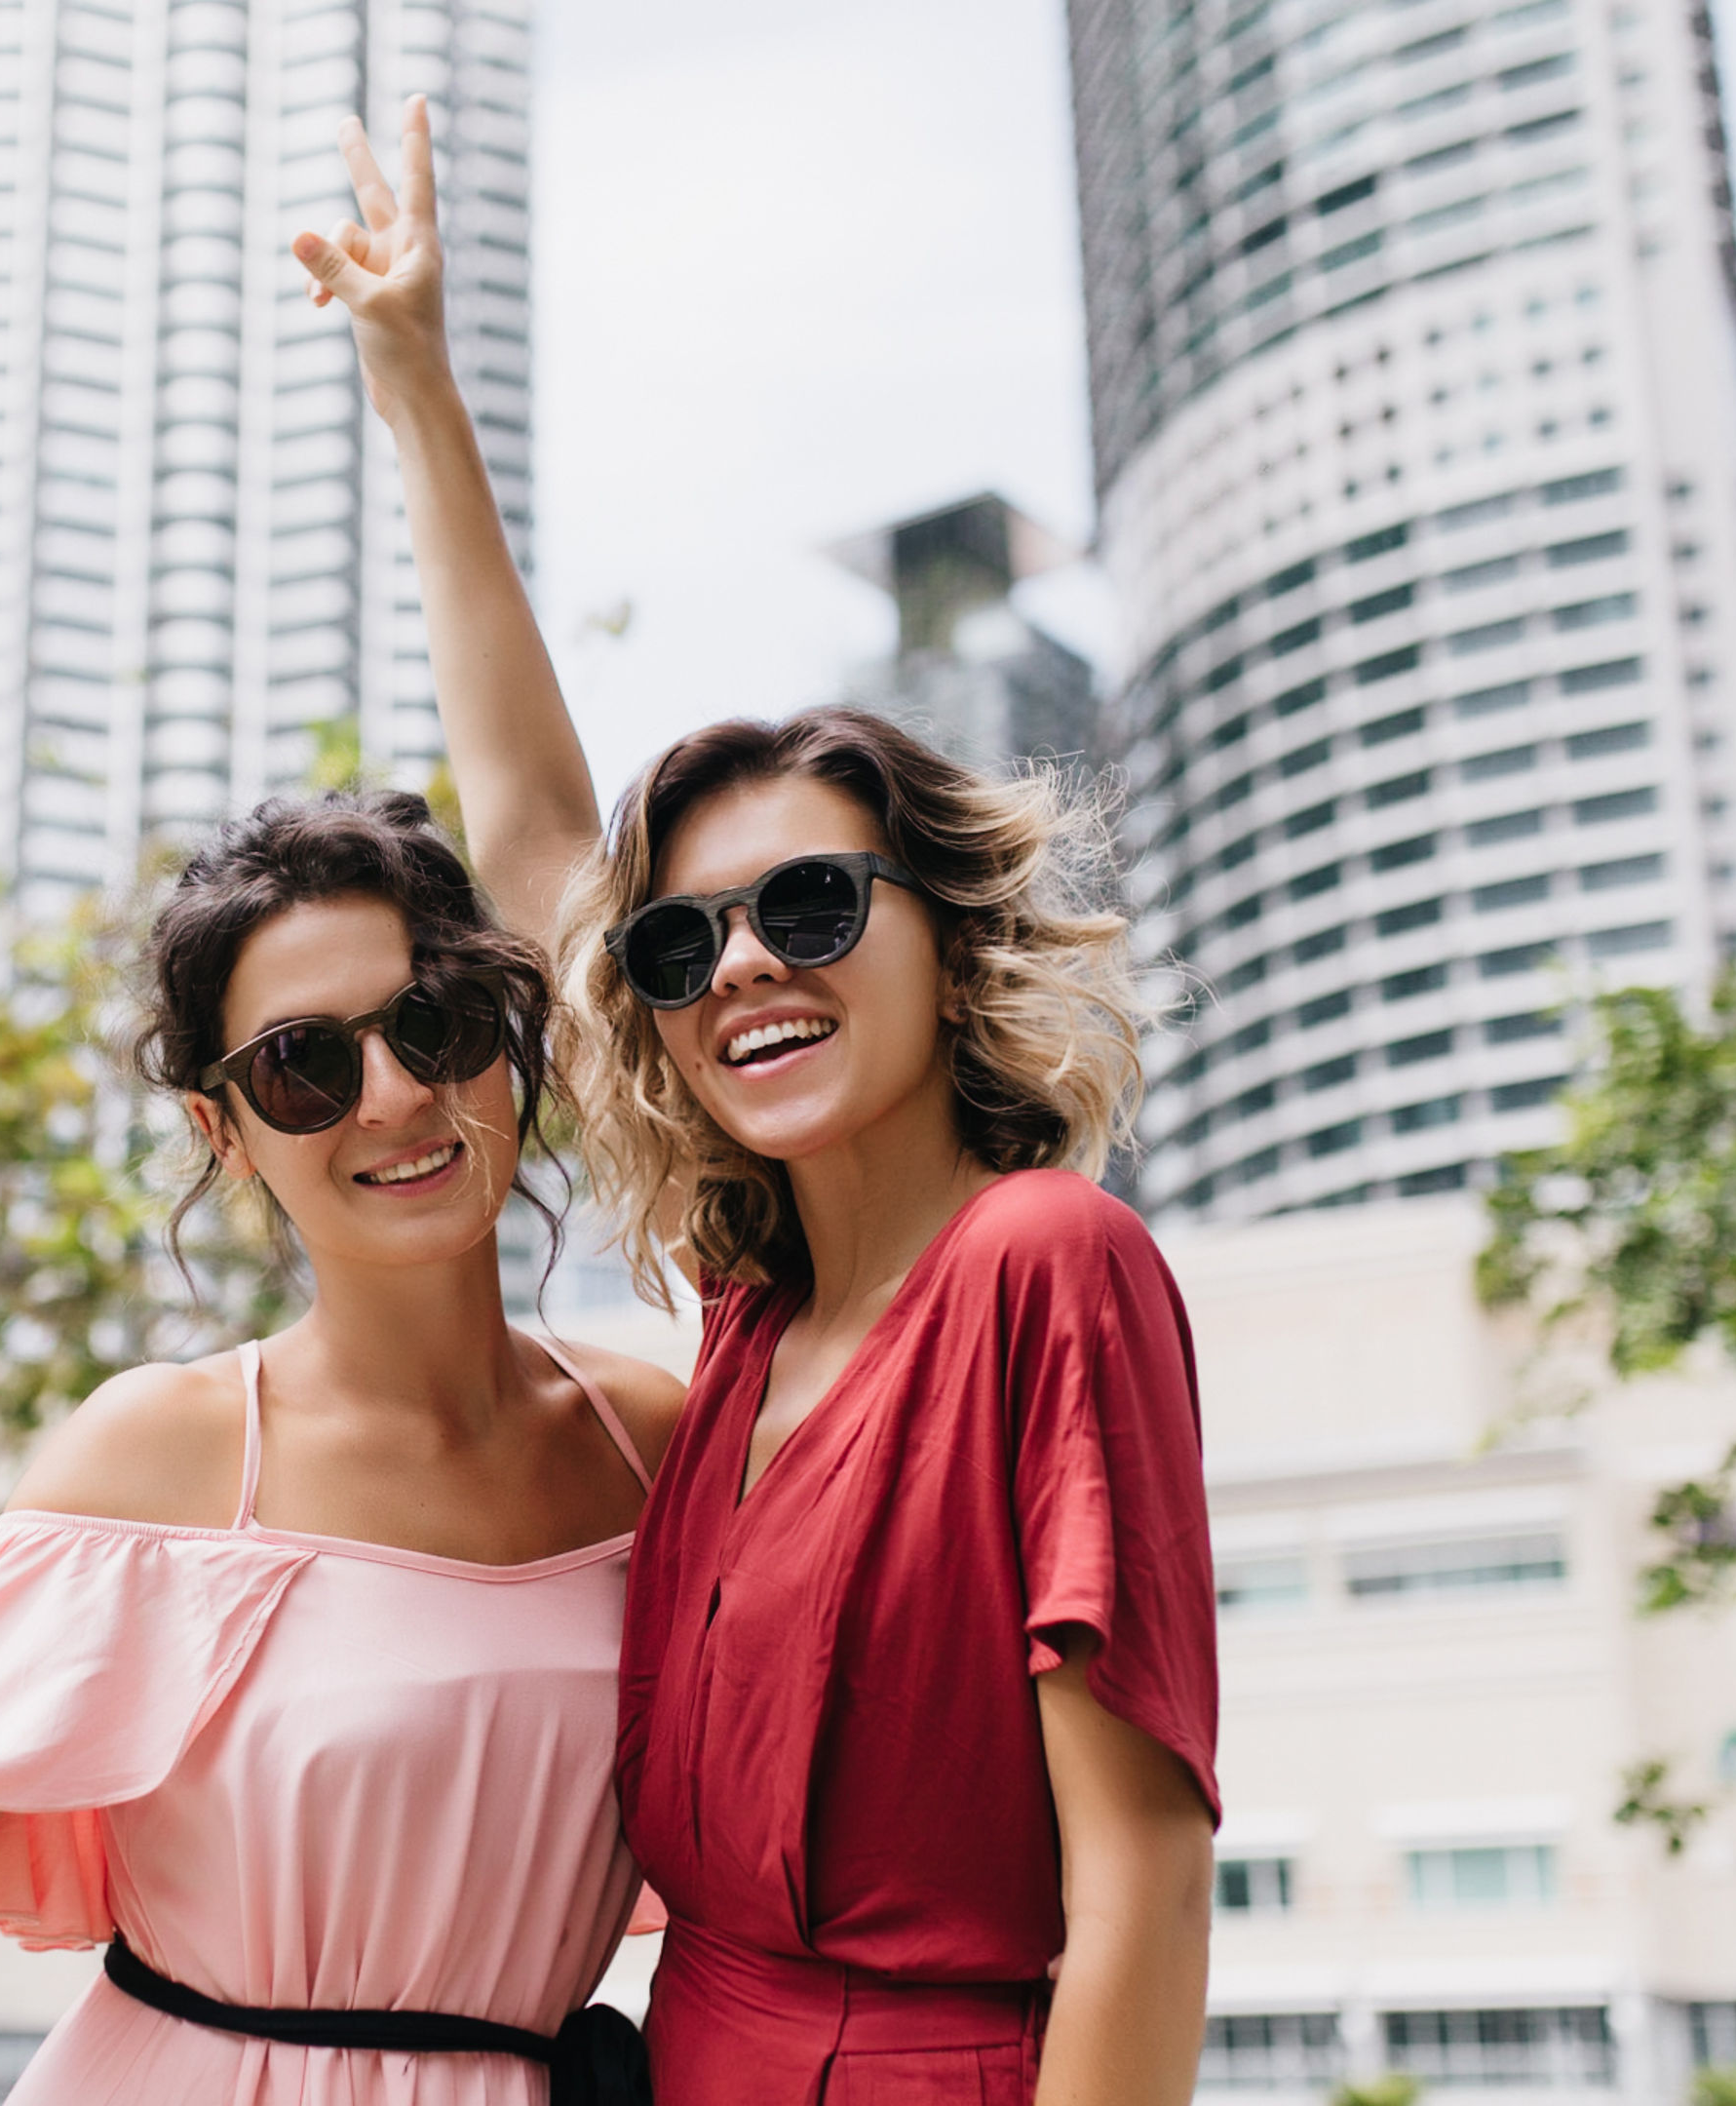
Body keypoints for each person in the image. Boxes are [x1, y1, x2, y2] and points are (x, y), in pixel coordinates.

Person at [293, 100, 1220, 2106]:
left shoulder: (1046, 1269)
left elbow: (1141, 1883)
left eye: (809, 904)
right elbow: (542, 841)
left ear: (948, 940)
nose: (741, 968)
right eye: (683, 942)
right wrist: (416, 389)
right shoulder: (743, 1320)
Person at [0, 791, 684, 2105]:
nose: (400, 1094)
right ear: (222, 1131)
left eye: (437, 1023)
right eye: (306, 1064)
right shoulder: (168, 1455)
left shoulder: (656, 1444)